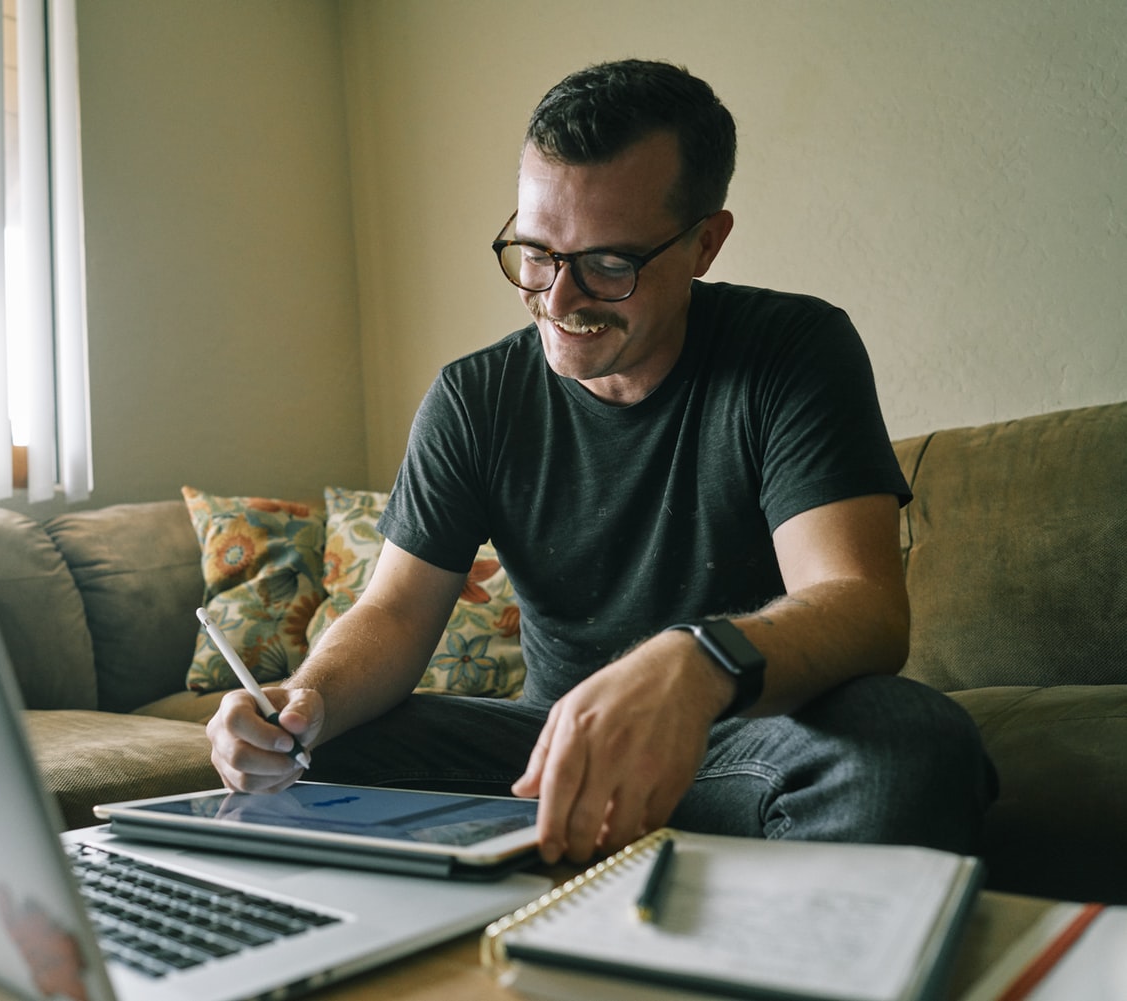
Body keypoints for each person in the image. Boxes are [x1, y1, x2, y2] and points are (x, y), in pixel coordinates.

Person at [206, 58, 995, 865]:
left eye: (609, 265)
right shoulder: (473, 397)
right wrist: (300, 707)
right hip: (545, 756)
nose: (557, 298)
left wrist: (699, 659)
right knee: (314, 760)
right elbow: (397, 614)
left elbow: (861, 605)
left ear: (704, 244)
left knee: (910, 741)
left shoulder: (793, 350)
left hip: (749, 746)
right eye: (537, 251)